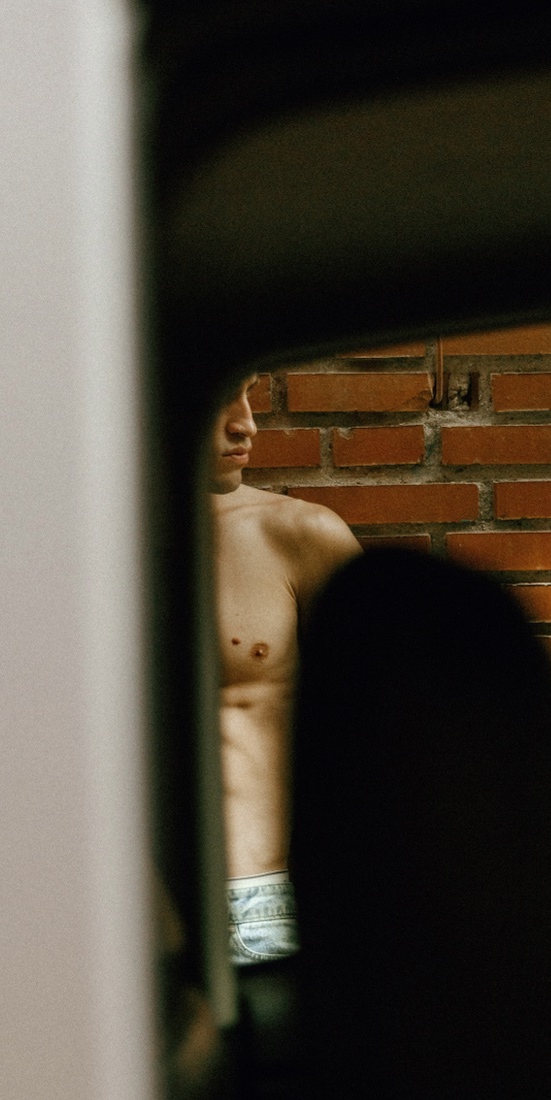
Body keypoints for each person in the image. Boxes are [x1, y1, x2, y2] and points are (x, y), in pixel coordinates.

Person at [210, 380, 360, 968]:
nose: (247, 425)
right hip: (114, 911)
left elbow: (382, 731)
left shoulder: (298, 534)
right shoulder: (84, 549)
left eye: (249, 397)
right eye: (219, 396)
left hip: (261, 904)